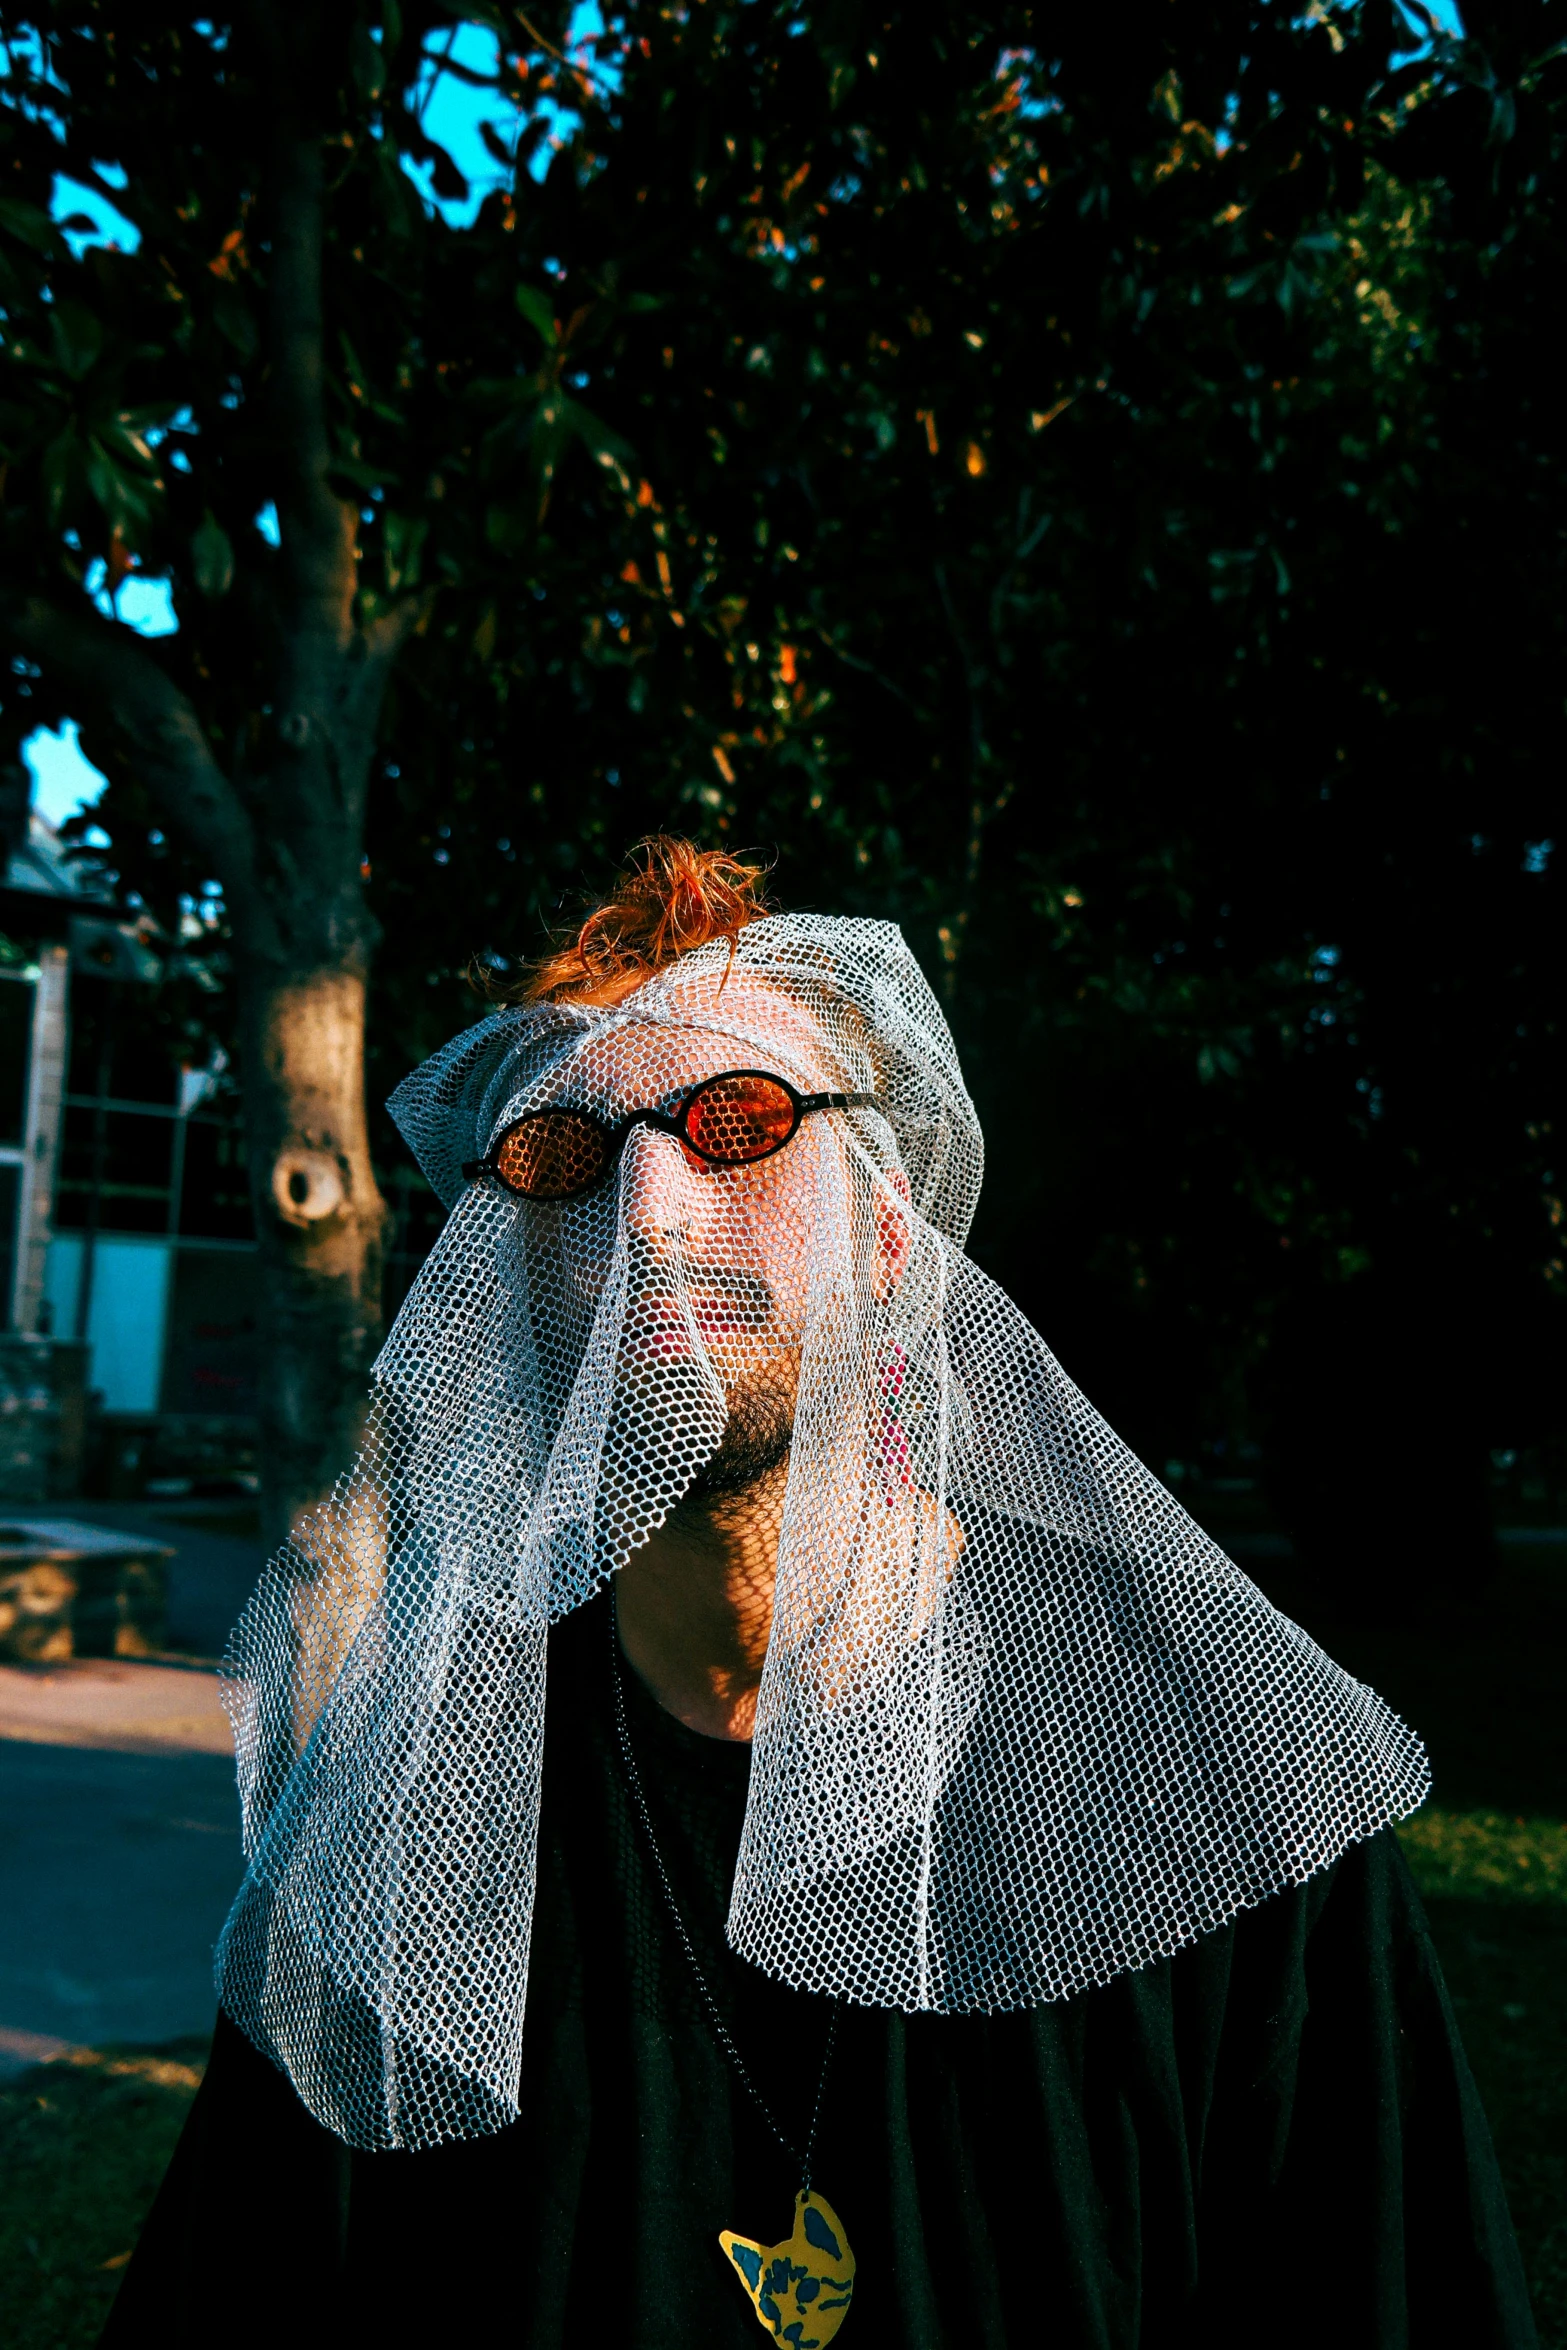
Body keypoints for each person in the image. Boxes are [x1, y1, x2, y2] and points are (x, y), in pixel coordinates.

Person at [105, 839, 1536, 2349]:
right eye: (563, 1160)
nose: (648, 1211)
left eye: (735, 1125)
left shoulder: (1228, 1778)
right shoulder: (406, 1813)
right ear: (506, 1273)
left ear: (892, 1233)